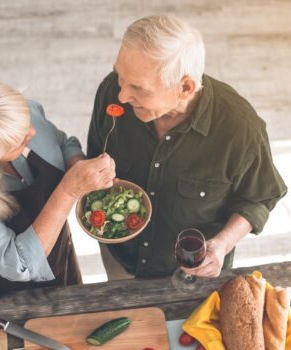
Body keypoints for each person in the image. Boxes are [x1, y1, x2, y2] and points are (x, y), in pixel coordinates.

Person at [87, 14, 287, 280]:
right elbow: (94, 158)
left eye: (138, 88)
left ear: (185, 87)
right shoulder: (112, 91)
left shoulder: (240, 129)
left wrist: (222, 245)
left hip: (192, 273)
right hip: (120, 260)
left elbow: (260, 197)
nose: (122, 95)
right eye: (120, 76)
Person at [0, 79, 115, 295]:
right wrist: (69, 190)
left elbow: (63, 143)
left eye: (27, 122)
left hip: (59, 260)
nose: (31, 132)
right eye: (21, 140)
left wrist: (81, 168)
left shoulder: (19, 113)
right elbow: (19, 264)